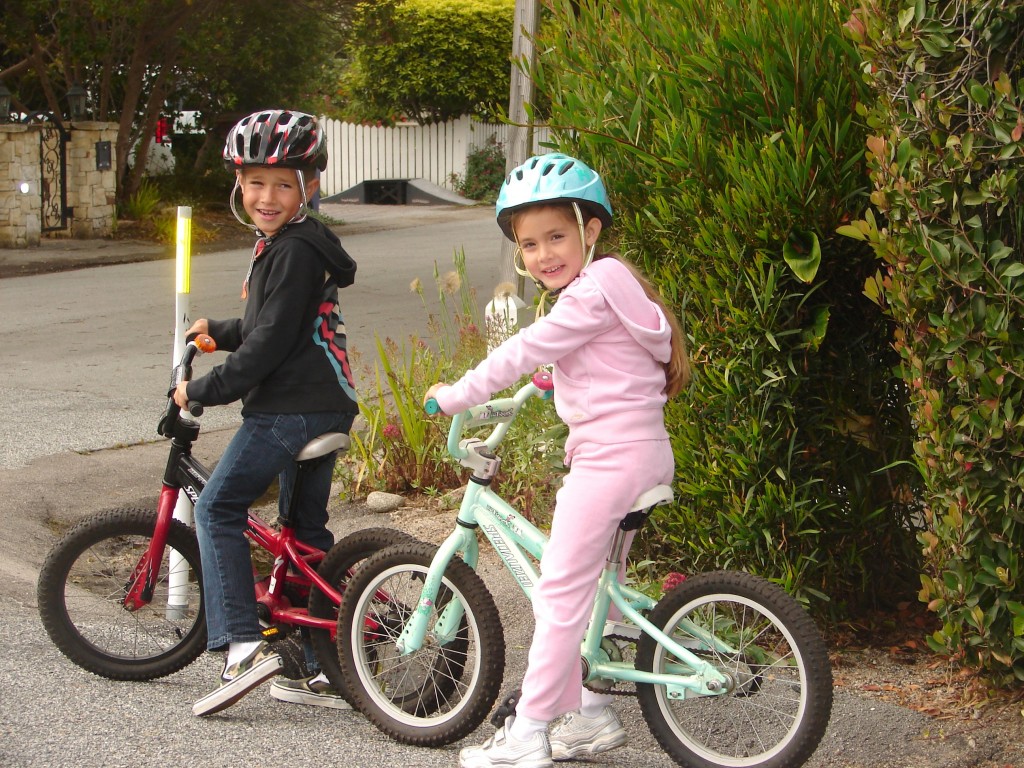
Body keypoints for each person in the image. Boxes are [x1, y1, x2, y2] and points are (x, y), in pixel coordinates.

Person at [424, 153, 690, 767]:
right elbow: (605, 359)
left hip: (605, 466)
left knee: (558, 597)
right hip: (648, 454)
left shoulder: (583, 297)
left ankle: (528, 736)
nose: (544, 254)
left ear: (588, 230)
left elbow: (519, 350)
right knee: (601, 591)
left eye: (557, 237)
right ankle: (592, 715)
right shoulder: (616, 286)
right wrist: (557, 379)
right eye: (530, 244)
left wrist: (454, 394)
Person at [174, 109, 359, 717]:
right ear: (238, 184)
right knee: (304, 537)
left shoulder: (295, 249)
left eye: (284, 183)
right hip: (320, 404)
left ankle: (244, 648)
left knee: (219, 507)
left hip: (289, 409)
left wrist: (205, 390)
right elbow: (276, 323)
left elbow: (272, 342)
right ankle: (321, 665)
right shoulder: (291, 245)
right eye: (256, 182)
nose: (267, 196)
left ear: (310, 185)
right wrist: (219, 331)